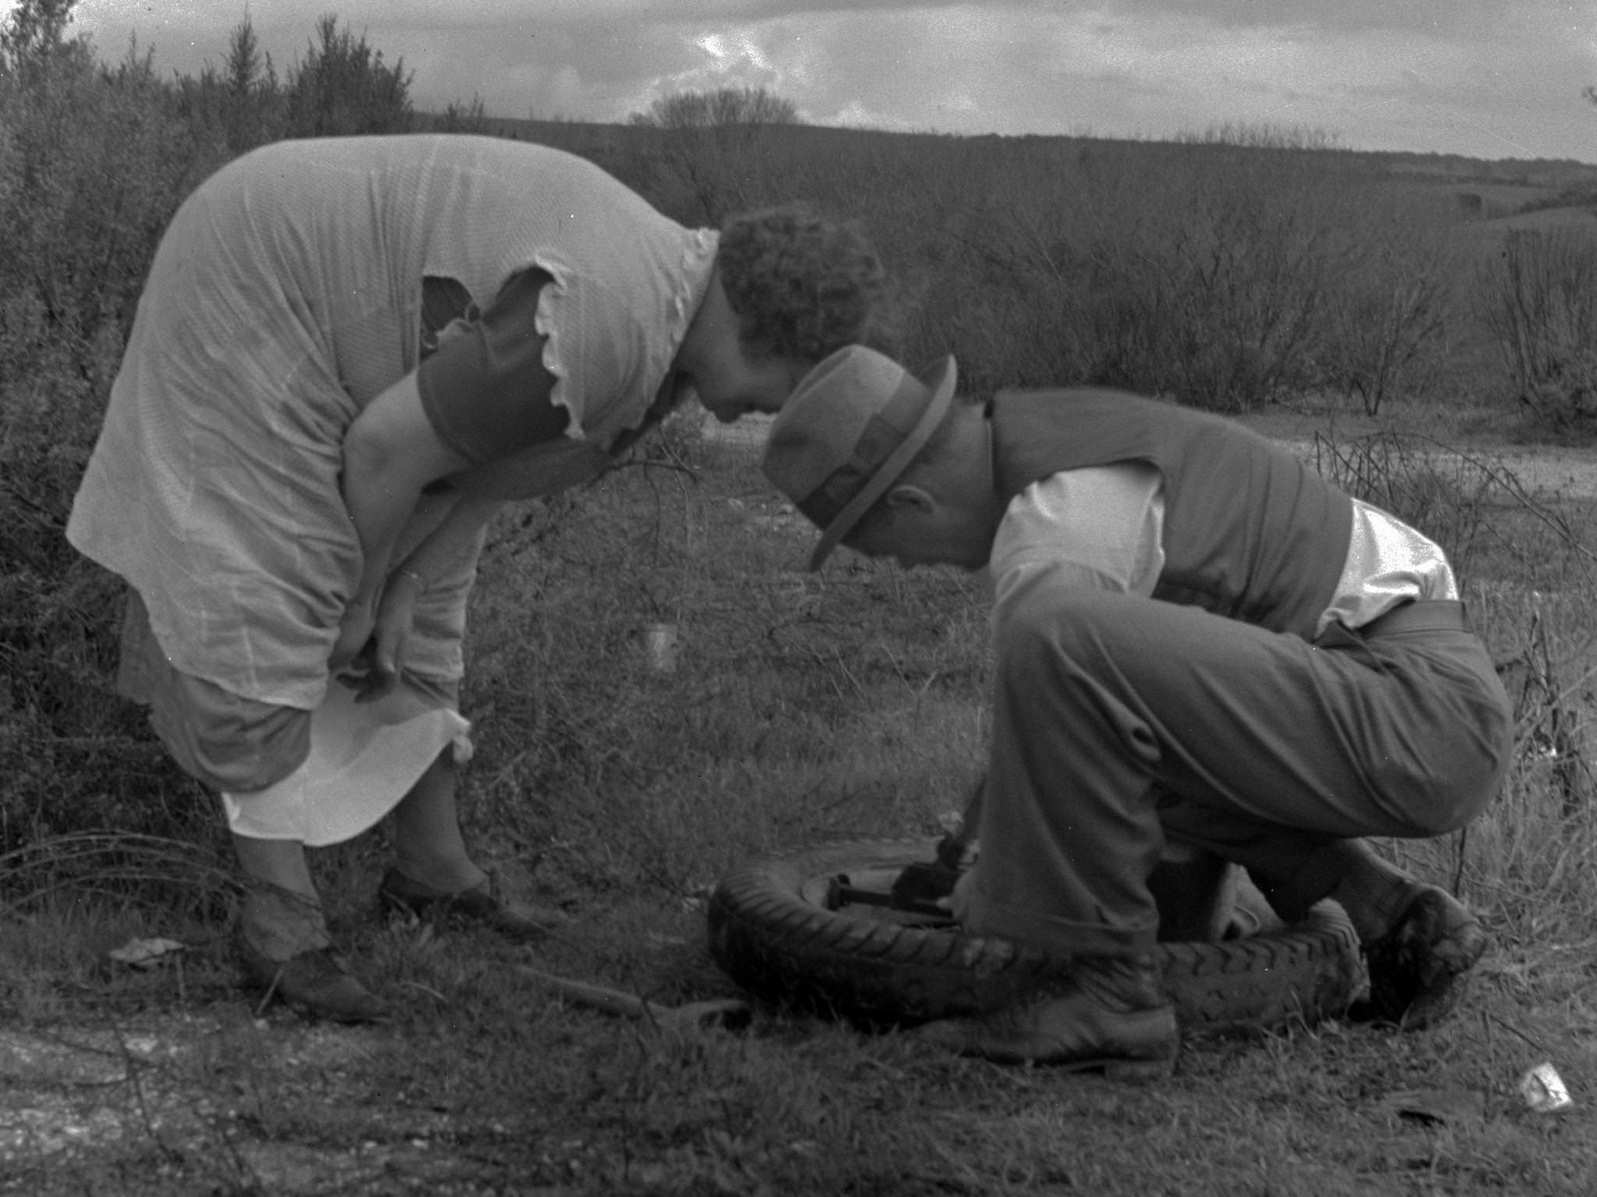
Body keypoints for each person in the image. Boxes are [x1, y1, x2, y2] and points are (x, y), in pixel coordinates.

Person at [67, 135, 890, 1023]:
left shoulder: (667, 330)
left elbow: (476, 470)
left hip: (344, 326)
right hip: (258, 275)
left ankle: (431, 871)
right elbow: (383, 452)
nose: (771, 409)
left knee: (422, 620)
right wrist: (358, 595)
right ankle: (279, 920)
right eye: (784, 383)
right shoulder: (608, 322)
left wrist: (404, 584)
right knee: (273, 584)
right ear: (764, 327)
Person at [760, 345, 1513, 1076]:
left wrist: (990, 877)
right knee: (1108, 731)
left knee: (1052, 641)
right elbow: (1081, 736)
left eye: (885, 547)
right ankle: (1393, 916)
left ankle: (1108, 995)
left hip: (1418, 715)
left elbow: (1049, 699)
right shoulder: (1060, 441)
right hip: (1408, 700)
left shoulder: (1056, 520)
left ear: (910, 502)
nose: (905, 564)